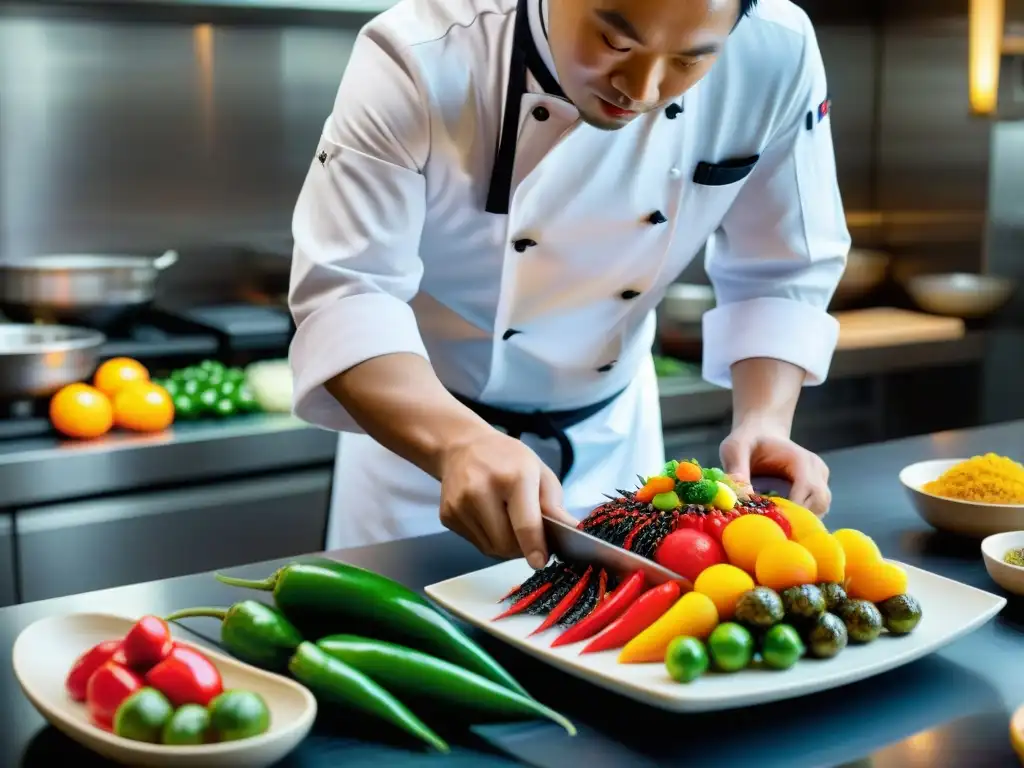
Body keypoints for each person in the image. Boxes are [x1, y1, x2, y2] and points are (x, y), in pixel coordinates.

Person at [287, 0, 851, 567]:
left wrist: (764, 420)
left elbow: (784, 267)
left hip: (615, 447)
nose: (644, 88)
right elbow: (349, 292)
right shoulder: (419, 53)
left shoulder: (777, 50)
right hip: (420, 451)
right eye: (616, 42)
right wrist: (458, 441)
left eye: (688, 60)